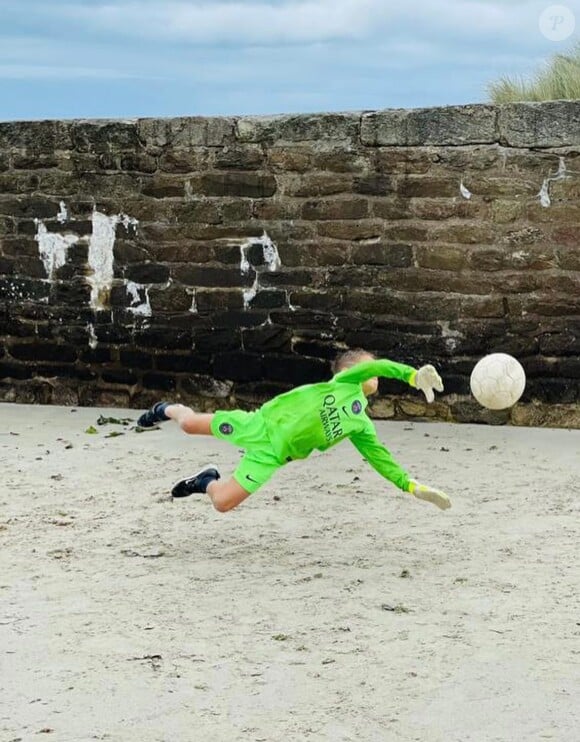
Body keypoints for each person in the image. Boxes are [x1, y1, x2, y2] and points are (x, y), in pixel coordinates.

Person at [137, 350, 451, 513]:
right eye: (367, 367)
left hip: (272, 455)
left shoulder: (360, 424)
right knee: (190, 424)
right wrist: (411, 376)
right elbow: (377, 368)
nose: (376, 377)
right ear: (348, 371)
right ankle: (165, 408)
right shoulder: (343, 383)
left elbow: (380, 458)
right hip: (258, 425)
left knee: (222, 503)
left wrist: (410, 486)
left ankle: (205, 481)